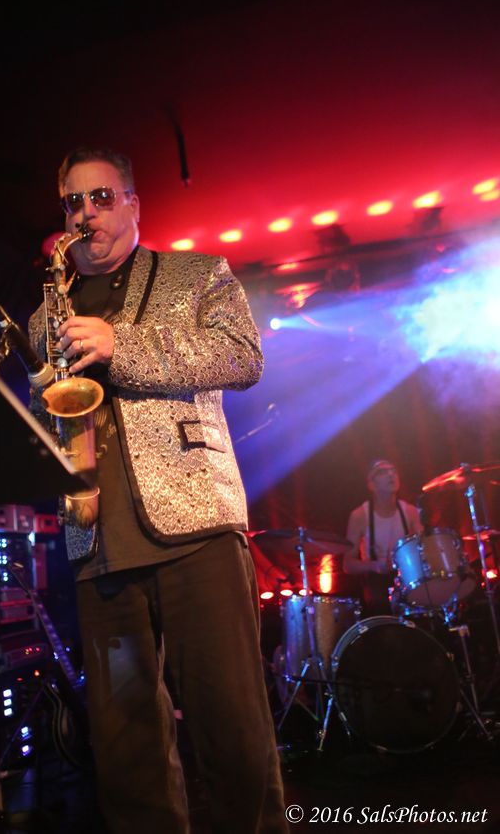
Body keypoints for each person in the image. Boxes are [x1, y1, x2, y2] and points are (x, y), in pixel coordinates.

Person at [28, 147, 288, 834]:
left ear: (134, 205)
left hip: (197, 530)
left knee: (232, 729)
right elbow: (42, 423)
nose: (86, 213)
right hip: (98, 546)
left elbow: (244, 357)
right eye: (74, 202)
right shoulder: (45, 317)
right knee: (126, 753)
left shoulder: (196, 274)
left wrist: (122, 345)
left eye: (102, 198)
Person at [343, 459, 422, 615]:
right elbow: (348, 565)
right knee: (378, 602)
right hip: (376, 583)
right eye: (382, 472)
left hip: (407, 578)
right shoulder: (359, 515)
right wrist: (373, 565)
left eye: (393, 471)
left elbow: (422, 548)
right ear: (371, 484)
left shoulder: (410, 511)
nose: (391, 474)